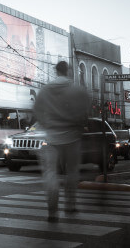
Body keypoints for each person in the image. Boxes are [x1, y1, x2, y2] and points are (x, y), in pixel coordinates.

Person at [33, 61, 90, 222]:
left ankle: (52, 211)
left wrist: (48, 124)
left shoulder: (45, 90)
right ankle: (70, 205)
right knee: (71, 172)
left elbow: (37, 111)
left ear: (56, 71)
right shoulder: (77, 90)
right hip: (72, 136)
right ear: (68, 71)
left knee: (51, 173)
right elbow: (86, 109)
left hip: (51, 137)